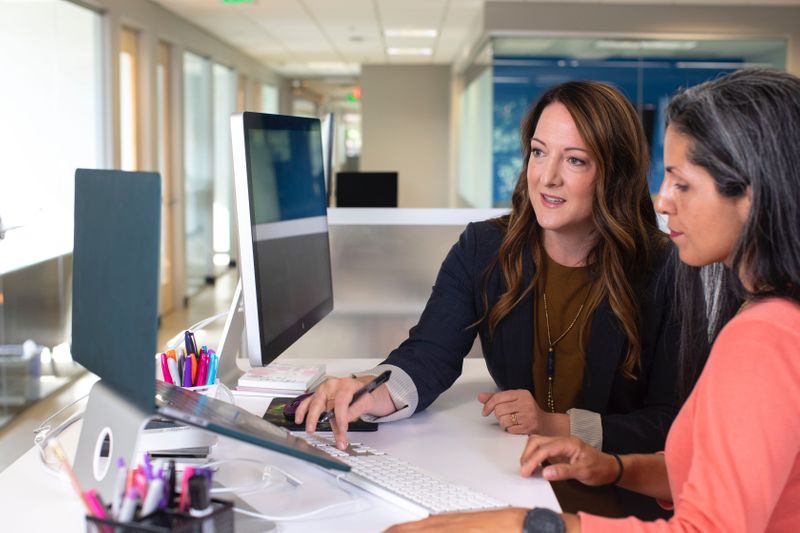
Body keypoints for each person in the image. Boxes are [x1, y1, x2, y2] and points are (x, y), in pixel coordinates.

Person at [386, 67, 800, 532]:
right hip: (562, 476)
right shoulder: (765, 316)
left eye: (682, 183)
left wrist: (526, 524)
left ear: (751, 196)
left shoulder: (761, 333)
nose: (662, 201)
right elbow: (708, 472)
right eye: (538, 154)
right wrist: (613, 467)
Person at [298, 81, 681, 517]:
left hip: (621, 500)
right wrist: (369, 391)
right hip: (517, 481)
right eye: (539, 152)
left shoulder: (663, 269)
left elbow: (670, 422)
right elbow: (429, 353)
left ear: (614, 173)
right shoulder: (484, 248)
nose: (546, 177)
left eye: (574, 160)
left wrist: (557, 425)